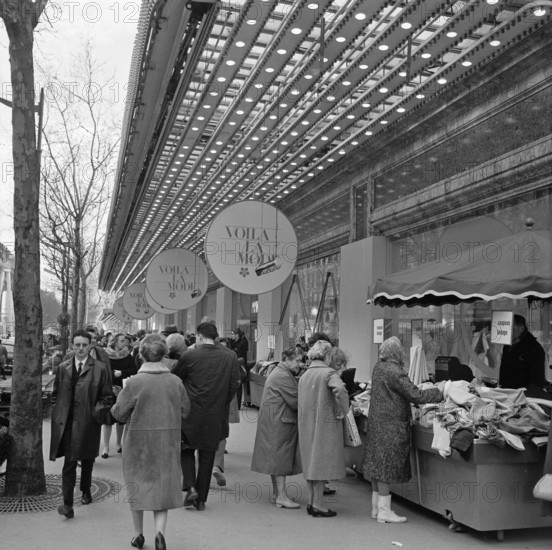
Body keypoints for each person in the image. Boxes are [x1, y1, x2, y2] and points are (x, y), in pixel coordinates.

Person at [111, 334, 190, 550]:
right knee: (161, 489)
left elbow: (118, 414)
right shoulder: (175, 381)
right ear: (164, 354)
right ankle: (160, 533)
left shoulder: (135, 382)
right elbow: (186, 410)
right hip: (167, 442)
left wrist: (118, 397)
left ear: (141, 355)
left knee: (137, 488)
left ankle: (138, 535)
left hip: (138, 444)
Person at [361, 336, 443, 524]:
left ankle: (376, 508)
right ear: (396, 352)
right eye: (401, 350)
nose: (404, 353)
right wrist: (440, 391)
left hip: (377, 423)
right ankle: (384, 511)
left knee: (376, 466)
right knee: (385, 468)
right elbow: (416, 395)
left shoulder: (378, 367)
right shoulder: (395, 371)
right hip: (391, 425)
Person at [173, 322, 240, 511]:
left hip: (190, 411)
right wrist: (221, 402)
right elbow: (234, 384)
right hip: (215, 413)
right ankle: (201, 499)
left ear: (200, 336)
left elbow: (176, 377)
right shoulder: (230, 356)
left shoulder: (190, 355)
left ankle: (191, 486)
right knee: (207, 454)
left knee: (185, 449)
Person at [49, 329, 113, 519]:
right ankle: (67, 504)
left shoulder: (100, 368)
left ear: (91, 345)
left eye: (85, 345)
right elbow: (55, 394)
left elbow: (107, 397)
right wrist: (58, 411)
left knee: (87, 459)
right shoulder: (63, 367)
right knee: (69, 462)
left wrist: (94, 413)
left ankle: (86, 490)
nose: (81, 348)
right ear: (72, 346)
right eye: (77, 344)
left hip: (88, 422)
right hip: (67, 423)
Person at [298, 340, 349, 518]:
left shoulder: (305, 375)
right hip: (324, 425)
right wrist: (344, 410)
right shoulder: (328, 373)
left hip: (306, 424)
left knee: (310, 464)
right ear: (327, 355)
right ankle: (318, 505)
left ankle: (312, 502)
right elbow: (341, 390)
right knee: (321, 464)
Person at [251, 346, 302, 508]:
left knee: (275, 458)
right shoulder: (283, 376)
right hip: (280, 422)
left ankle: (276, 494)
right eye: (297, 361)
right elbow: (296, 401)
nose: (299, 365)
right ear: (287, 359)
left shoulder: (278, 372)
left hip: (274, 421)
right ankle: (281, 496)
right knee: (280, 458)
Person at [102, 332, 137, 458]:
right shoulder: (105, 355)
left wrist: (121, 372)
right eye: (122, 340)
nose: (125, 342)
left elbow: (134, 370)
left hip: (123, 390)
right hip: (108, 389)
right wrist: (112, 374)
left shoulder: (128, 355)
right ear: (115, 342)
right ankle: (106, 447)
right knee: (107, 420)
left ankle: (118, 444)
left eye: (126, 340)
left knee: (121, 418)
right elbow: (102, 371)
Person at [499, 314, 546, 396]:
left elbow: (537, 380)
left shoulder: (534, 348)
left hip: (524, 396)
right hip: (507, 393)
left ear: (521, 328)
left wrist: (523, 394)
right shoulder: (507, 345)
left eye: (511, 328)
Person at [231, 327, 249, 408]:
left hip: (240, 365)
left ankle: (238, 404)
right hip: (237, 364)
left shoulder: (243, 342)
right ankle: (236, 403)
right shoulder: (236, 342)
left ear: (237, 335)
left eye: (233, 334)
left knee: (239, 384)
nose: (232, 336)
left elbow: (241, 356)